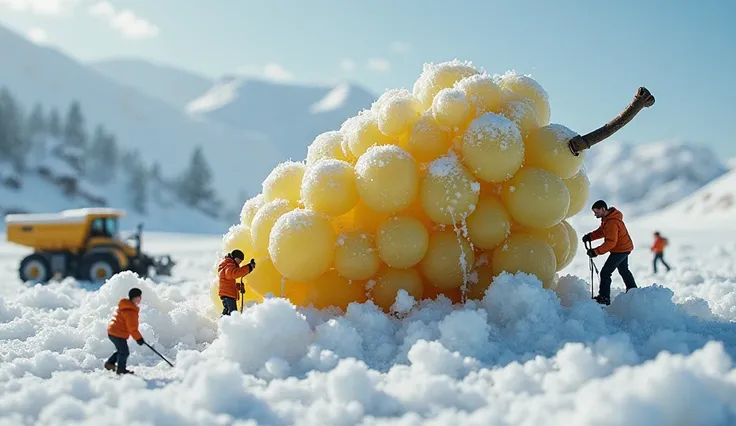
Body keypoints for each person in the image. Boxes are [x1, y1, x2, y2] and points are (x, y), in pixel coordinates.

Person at [582, 200, 638, 305]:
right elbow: (602, 231)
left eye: (596, 212)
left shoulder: (612, 222)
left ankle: (604, 298)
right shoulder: (607, 219)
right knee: (624, 270)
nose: (595, 214)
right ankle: (633, 291)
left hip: (620, 250)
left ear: (603, 209)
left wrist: (595, 252)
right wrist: (590, 236)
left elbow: (611, 242)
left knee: (605, 273)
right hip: (623, 248)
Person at [104, 287, 145, 375]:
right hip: (117, 333)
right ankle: (121, 370)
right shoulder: (130, 311)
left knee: (121, 351)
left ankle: (110, 363)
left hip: (113, 331)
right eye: (139, 297)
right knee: (124, 352)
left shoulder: (126, 306)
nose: (140, 299)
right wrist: (139, 339)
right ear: (135, 298)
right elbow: (132, 328)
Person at [218, 249, 256, 316]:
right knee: (232, 313)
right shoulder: (229, 264)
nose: (239, 263)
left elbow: (229, 282)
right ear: (234, 258)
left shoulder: (227, 264)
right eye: (239, 261)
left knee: (227, 312)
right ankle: (230, 325)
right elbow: (233, 274)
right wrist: (249, 267)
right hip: (228, 294)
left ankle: (223, 323)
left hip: (226, 293)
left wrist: (238, 286)